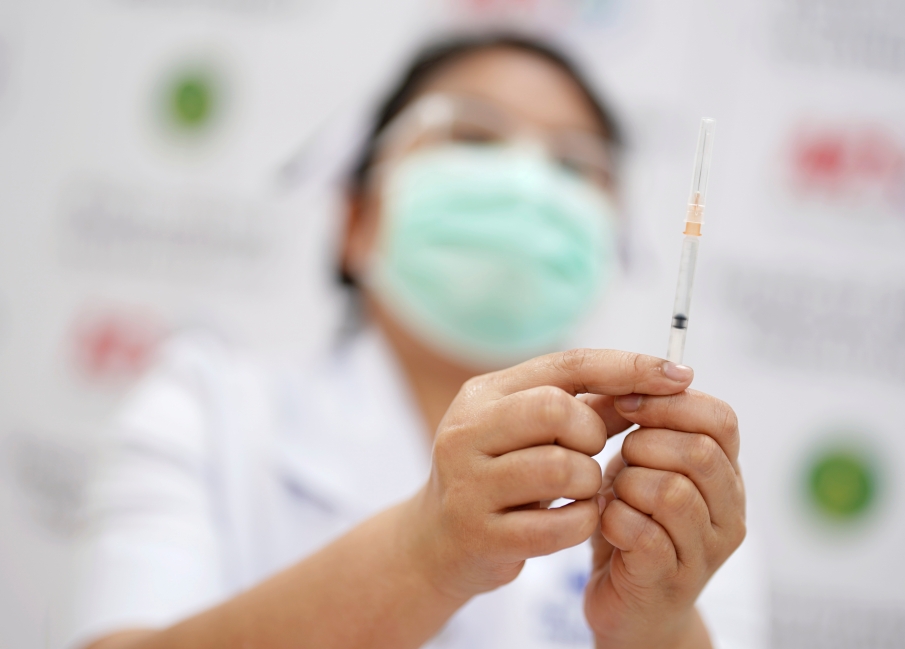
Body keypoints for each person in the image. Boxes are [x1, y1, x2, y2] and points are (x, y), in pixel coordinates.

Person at [69, 34, 767, 649]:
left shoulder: (671, 489)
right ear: (356, 218)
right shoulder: (209, 410)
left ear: (606, 245)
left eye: (572, 165)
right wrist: (424, 553)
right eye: (471, 137)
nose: (525, 185)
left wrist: (661, 630)